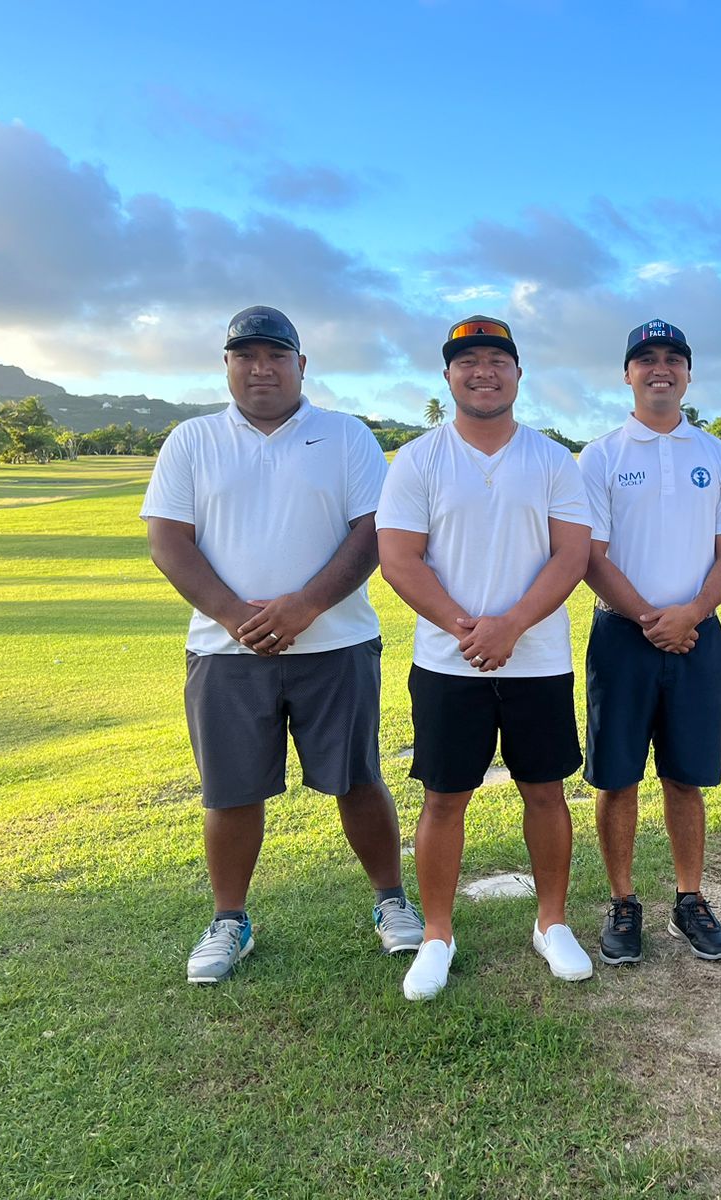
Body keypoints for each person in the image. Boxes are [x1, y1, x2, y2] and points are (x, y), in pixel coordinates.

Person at [141, 305, 422, 985]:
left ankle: (391, 901)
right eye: (246, 356)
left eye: (275, 355)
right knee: (231, 791)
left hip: (336, 643)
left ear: (301, 365)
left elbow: (372, 531)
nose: (260, 368)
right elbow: (167, 542)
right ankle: (230, 920)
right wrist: (236, 614)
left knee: (356, 778)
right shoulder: (192, 440)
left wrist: (306, 605)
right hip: (225, 650)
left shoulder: (345, 435)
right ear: (228, 365)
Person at [376, 315, 593, 1001]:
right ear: (448, 377)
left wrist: (512, 625)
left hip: (537, 661)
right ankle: (437, 933)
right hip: (447, 662)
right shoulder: (419, 458)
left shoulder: (553, 459)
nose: (483, 371)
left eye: (497, 359)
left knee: (546, 791)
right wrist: (468, 629)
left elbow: (572, 554)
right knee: (445, 798)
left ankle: (551, 923)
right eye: (467, 361)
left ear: (518, 374)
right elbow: (398, 558)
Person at [578, 319, 721, 965]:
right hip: (623, 637)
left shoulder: (716, 454)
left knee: (686, 778)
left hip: (697, 638)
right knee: (617, 779)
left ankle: (689, 900)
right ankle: (623, 903)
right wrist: (654, 619)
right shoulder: (600, 455)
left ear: (687, 373)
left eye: (673, 359)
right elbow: (589, 555)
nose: (660, 368)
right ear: (627, 373)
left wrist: (692, 616)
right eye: (646, 358)